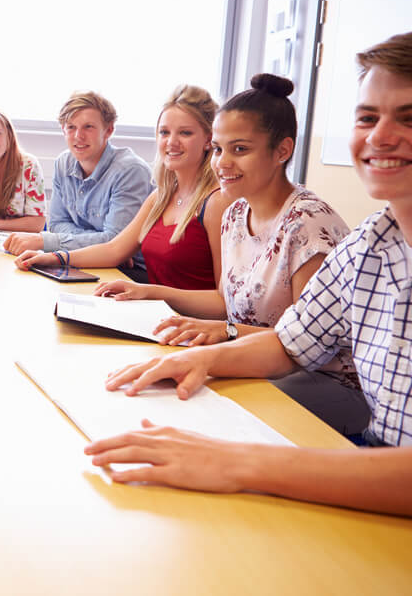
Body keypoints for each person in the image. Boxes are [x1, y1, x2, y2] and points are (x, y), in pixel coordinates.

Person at [84, 32, 412, 516]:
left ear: (282, 151)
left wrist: (241, 463)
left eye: (407, 118)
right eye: (367, 117)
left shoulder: (311, 222)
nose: (380, 136)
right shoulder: (370, 244)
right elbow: (289, 342)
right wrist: (203, 360)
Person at [89, 74, 368, 434]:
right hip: (253, 356)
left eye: (240, 149)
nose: (222, 162)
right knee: (165, 387)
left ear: (282, 151)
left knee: (209, 406)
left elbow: (311, 346)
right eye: (219, 148)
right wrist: (165, 301)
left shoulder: (308, 224)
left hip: (328, 380)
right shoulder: (236, 213)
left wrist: (226, 332)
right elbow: (226, 301)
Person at [15, 85, 231, 290]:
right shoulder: (160, 197)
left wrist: (149, 293)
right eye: (164, 132)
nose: (171, 142)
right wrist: (52, 257)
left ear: (208, 140)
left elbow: (225, 304)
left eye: (185, 133)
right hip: (156, 310)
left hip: (176, 315)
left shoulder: (217, 202)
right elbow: (114, 249)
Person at [3, 91, 152, 278]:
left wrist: (44, 241)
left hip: (130, 270)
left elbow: (114, 242)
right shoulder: (63, 163)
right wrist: (99, 240)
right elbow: (57, 224)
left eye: (88, 127)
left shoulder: (130, 170)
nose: (78, 136)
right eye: (71, 127)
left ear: (108, 131)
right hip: (82, 260)